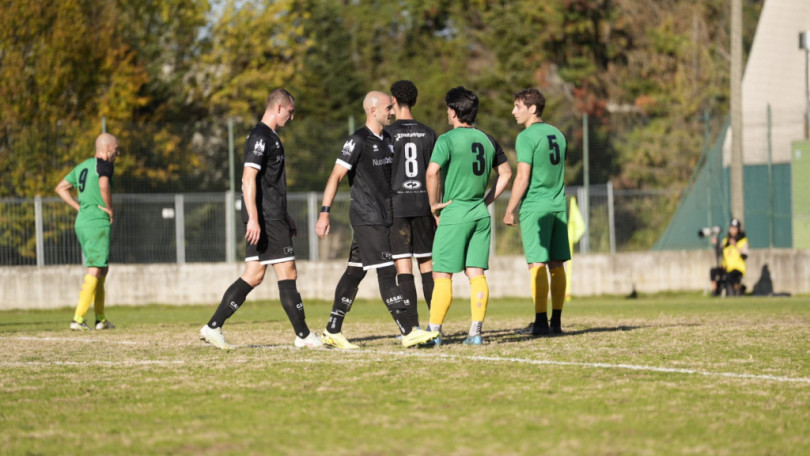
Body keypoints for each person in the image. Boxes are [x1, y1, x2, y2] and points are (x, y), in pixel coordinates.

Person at [199, 89, 322, 350]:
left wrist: (285, 213)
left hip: (272, 215)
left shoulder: (271, 137)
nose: (292, 117)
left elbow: (269, 183)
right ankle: (303, 336)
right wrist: (254, 219)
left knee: (254, 275)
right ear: (278, 108)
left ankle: (212, 327)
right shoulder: (260, 136)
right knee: (288, 272)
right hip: (265, 218)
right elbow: (247, 179)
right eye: (290, 111)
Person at [316, 91, 440, 349]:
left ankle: (332, 330)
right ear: (372, 111)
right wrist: (325, 212)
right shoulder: (357, 140)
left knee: (354, 271)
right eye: (388, 108)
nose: (392, 112)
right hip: (366, 216)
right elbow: (336, 176)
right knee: (387, 271)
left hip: (384, 216)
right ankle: (408, 330)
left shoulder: (388, 139)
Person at [425, 86, 512, 345]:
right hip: (479, 214)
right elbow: (506, 173)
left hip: (455, 211)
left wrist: (433, 205)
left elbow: (432, 173)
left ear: (452, 111)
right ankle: (475, 333)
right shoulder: (488, 139)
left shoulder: (447, 139)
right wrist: (486, 201)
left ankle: (434, 332)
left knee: (442, 275)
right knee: (476, 274)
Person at [503, 88, 570, 336]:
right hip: (558, 204)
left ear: (533, 109)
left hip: (535, 207)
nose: (513, 111)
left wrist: (510, 208)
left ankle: (541, 323)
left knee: (537, 265)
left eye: (518, 106)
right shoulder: (558, 134)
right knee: (557, 264)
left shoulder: (527, 136)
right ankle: (557, 322)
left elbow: (522, 177)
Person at [55, 132, 121, 331]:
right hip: (96, 221)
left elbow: (61, 188)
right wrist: (109, 208)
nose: (118, 154)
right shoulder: (103, 164)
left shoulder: (82, 166)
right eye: (117, 150)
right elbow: (103, 183)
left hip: (83, 221)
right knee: (94, 267)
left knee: (102, 267)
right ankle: (78, 318)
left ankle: (100, 319)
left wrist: (79, 208)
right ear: (107, 149)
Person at [387, 80, 438, 323]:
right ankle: (435, 325)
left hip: (396, 207)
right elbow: (435, 173)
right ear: (415, 101)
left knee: (403, 266)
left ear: (393, 101)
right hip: (423, 206)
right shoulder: (428, 133)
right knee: (427, 265)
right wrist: (436, 206)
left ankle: (412, 325)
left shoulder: (387, 134)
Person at [711, 218, 749, 297]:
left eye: (735, 228)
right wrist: (716, 243)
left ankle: (737, 289)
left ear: (738, 229)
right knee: (713, 271)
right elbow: (719, 251)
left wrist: (735, 245)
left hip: (738, 268)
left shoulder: (743, 241)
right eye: (731, 228)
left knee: (730, 276)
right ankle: (714, 291)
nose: (733, 230)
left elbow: (744, 256)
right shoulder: (726, 241)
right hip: (727, 267)